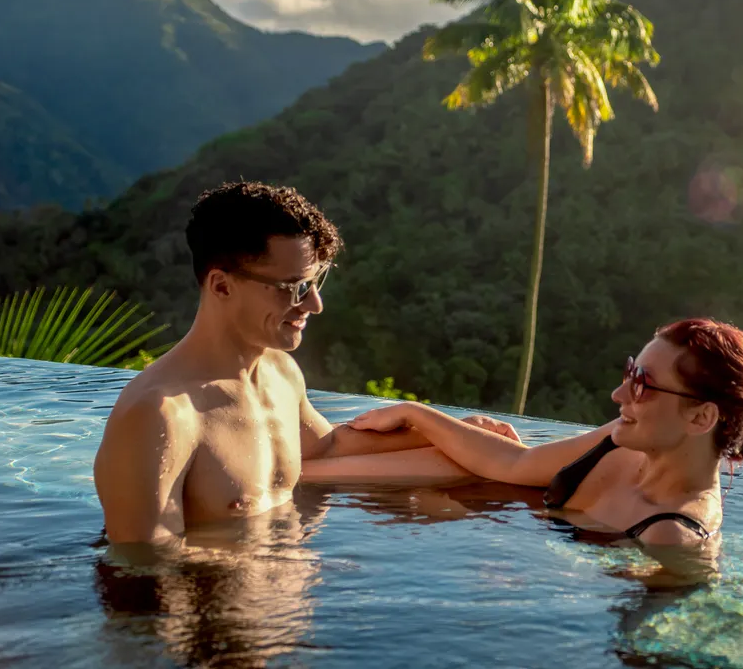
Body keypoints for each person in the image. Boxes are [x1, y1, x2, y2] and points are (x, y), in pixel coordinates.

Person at [93, 180, 515, 548]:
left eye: (314, 283)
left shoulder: (279, 374)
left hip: (285, 620)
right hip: (221, 636)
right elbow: (144, 568)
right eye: (293, 288)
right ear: (221, 285)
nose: (314, 304)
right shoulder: (161, 415)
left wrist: (451, 430)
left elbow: (326, 445)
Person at [314, 317, 743, 547]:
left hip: (493, 566)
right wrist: (414, 414)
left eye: (643, 385)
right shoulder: (623, 440)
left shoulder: (670, 536)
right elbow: (515, 464)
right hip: (475, 517)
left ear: (700, 417)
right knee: (471, 446)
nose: (619, 395)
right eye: (631, 372)